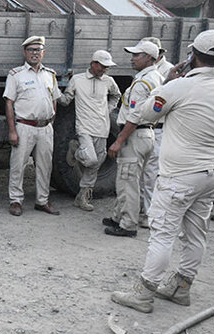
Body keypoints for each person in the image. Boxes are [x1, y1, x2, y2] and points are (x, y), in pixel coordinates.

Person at [111, 30, 214, 313]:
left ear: (192, 56)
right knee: (196, 233)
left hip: (180, 174)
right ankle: (182, 286)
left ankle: (144, 292)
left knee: (162, 233)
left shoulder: (178, 87)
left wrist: (169, 82)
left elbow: (144, 113)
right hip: (210, 173)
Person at [102, 40, 163, 237]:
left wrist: (119, 139)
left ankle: (127, 224)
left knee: (128, 181)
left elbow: (135, 116)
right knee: (129, 178)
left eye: (137, 55)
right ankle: (118, 216)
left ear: (150, 58)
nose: (132, 58)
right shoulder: (156, 77)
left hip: (136, 135)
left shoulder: (142, 82)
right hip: (147, 134)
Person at [3, 36, 62, 217]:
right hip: (24, 126)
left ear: (43, 53)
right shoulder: (16, 75)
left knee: (45, 166)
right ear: (24, 52)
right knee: (18, 165)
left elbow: (54, 100)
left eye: (38, 50)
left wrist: (50, 120)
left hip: (45, 127)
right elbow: (9, 104)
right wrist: (12, 130)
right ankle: (16, 200)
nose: (34, 53)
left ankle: (42, 201)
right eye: (31, 50)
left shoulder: (50, 75)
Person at [58, 50, 121, 211]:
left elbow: (116, 96)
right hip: (84, 127)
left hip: (102, 128)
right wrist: (53, 91)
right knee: (91, 160)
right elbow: (65, 101)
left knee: (95, 165)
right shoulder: (77, 80)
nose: (105, 69)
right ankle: (75, 151)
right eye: (103, 66)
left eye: (107, 67)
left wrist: (108, 109)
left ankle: (82, 197)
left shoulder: (109, 81)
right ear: (94, 64)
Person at [139, 37, 174, 228]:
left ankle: (150, 214)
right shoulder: (147, 73)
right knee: (144, 173)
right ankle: (143, 209)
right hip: (149, 127)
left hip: (157, 127)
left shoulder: (167, 71)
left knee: (152, 174)